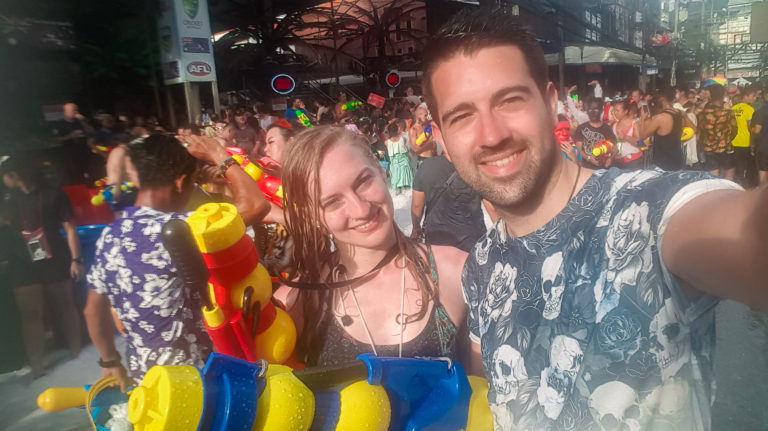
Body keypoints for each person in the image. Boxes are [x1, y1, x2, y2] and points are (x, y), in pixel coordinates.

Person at [422, 9, 765, 430]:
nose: (492, 134)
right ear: (439, 136)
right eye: (462, 116)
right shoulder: (480, 266)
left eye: (510, 100)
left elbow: (744, 232)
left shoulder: (647, 210)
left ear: (551, 104)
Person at [84, 134, 270, 388]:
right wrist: (220, 156)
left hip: (148, 384)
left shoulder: (111, 234)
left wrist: (109, 361)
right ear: (181, 183)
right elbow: (256, 204)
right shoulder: (178, 231)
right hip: (196, 385)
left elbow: (93, 309)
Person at [274, 126, 468, 368]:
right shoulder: (298, 303)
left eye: (363, 182)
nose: (362, 210)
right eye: (333, 202)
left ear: (380, 170)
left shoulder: (455, 272)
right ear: (312, 216)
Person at [1, 155, 84, 378]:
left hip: (54, 255)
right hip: (21, 260)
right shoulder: (7, 198)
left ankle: (76, 353)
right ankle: (36, 364)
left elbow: (70, 228)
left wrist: (76, 260)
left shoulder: (53, 193)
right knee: (30, 312)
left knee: (65, 305)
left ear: (14, 175)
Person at [410, 124, 485, 252]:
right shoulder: (477, 167)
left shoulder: (426, 166)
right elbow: (492, 207)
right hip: (473, 238)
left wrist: (416, 227)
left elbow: (417, 205)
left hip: (437, 240)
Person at [697, 84, 738, 180]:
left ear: (710, 95)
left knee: (713, 174)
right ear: (723, 94)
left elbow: (701, 130)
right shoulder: (728, 112)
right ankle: (727, 193)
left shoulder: (703, 112)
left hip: (709, 147)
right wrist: (726, 138)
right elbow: (735, 129)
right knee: (729, 172)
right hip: (726, 146)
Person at [639, 88, 685, 171]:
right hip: (678, 158)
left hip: (664, 163)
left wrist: (642, 119)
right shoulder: (679, 113)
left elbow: (642, 136)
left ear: (662, 98)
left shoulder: (660, 118)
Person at [572, 98, 616, 169]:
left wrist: (610, 158)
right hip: (587, 168)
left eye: (595, 109)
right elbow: (578, 149)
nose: (592, 112)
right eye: (590, 110)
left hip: (604, 168)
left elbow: (614, 147)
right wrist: (588, 158)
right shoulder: (581, 128)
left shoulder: (607, 128)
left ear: (601, 110)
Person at [730, 87, 758, 186]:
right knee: (746, 166)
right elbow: (750, 127)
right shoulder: (750, 109)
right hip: (746, 142)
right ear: (745, 96)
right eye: (753, 96)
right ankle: (744, 186)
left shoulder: (733, 108)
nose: (755, 98)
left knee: (736, 166)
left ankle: (736, 184)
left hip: (733, 141)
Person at [610, 99, 644, 169]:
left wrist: (626, 137)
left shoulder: (634, 123)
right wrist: (611, 157)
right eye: (614, 110)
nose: (615, 113)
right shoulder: (614, 125)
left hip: (634, 161)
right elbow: (617, 144)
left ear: (625, 111)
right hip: (619, 162)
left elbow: (640, 142)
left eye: (617, 110)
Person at [385, 122, 413, 193]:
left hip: (394, 164)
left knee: (395, 180)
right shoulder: (403, 139)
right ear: (397, 130)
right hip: (404, 161)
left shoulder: (386, 142)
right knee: (406, 181)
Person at [752, 87, 768, 186]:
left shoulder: (760, 111)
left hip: (763, 147)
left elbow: (757, 130)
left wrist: (750, 128)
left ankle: (763, 197)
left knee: (763, 173)